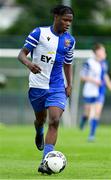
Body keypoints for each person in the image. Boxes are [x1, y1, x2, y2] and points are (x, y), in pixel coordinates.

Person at [18, 5, 75, 174]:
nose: (68, 24)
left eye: (70, 21)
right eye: (65, 20)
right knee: (41, 120)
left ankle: (46, 161)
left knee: (55, 120)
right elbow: (21, 54)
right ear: (56, 16)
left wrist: (69, 84)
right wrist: (29, 64)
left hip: (57, 86)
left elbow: (67, 63)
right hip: (37, 85)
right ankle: (38, 130)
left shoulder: (69, 41)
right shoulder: (39, 33)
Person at [80, 43, 111, 141]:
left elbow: (105, 76)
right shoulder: (89, 62)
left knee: (97, 112)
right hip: (89, 90)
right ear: (96, 52)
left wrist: (109, 86)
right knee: (88, 113)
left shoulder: (104, 63)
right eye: (102, 50)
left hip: (100, 91)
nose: (103, 52)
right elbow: (82, 77)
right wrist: (94, 81)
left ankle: (91, 135)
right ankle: (84, 120)